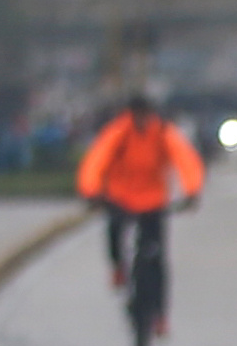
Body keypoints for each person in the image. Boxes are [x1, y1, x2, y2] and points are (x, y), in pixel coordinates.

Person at [72, 90, 204, 299]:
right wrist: (91, 191)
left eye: (145, 114)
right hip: (121, 197)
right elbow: (96, 160)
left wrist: (192, 190)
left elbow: (185, 159)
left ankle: (159, 312)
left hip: (153, 200)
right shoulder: (118, 132)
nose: (141, 119)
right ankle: (118, 267)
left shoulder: (162, 132)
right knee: (114, 230)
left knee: (157, 256)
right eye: (137, 114)